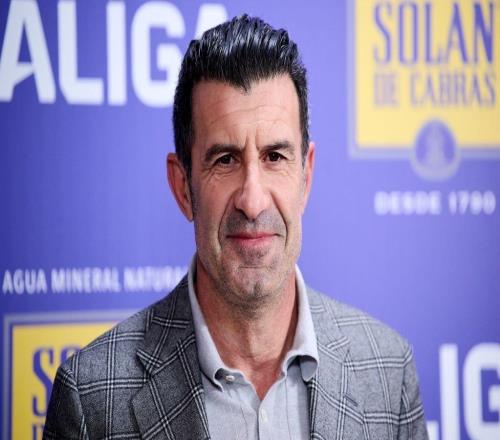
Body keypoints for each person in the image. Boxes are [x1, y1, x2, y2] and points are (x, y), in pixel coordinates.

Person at [43, 15, 428, 440]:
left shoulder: (389, 372)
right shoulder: (91, 399)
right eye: (225, 160)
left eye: (275, 157)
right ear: (183, 187)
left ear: (306, 176)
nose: (253, 199)